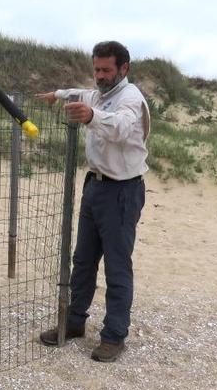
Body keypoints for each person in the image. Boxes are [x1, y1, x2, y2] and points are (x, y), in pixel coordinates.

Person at [35, 41, 150, 363]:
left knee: (117, 266)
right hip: (95, 188)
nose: (99, 76)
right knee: (83, 260)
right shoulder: (100, 93)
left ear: (124, 68)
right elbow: (80, 93)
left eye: (106, 70)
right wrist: (57, 95)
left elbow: (121, 127)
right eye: (96, 69)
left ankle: (114, 336)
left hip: (122, 192)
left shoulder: (130, 99)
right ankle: (73, 323)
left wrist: (90, 116)